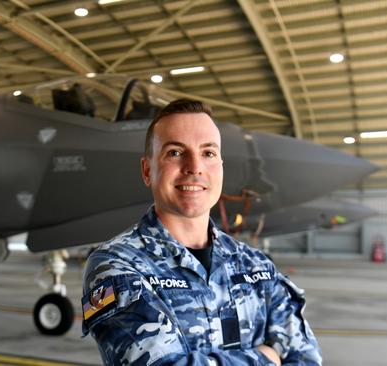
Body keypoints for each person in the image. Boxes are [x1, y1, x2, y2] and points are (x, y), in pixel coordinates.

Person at [81, 99, 322, 365]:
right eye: (174, 152)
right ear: (147, 170)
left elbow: (306, 359)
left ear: (220, 166)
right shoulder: (114, 266)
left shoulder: (257, 266)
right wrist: (265, 359)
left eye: (208, 153)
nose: (194, 166)